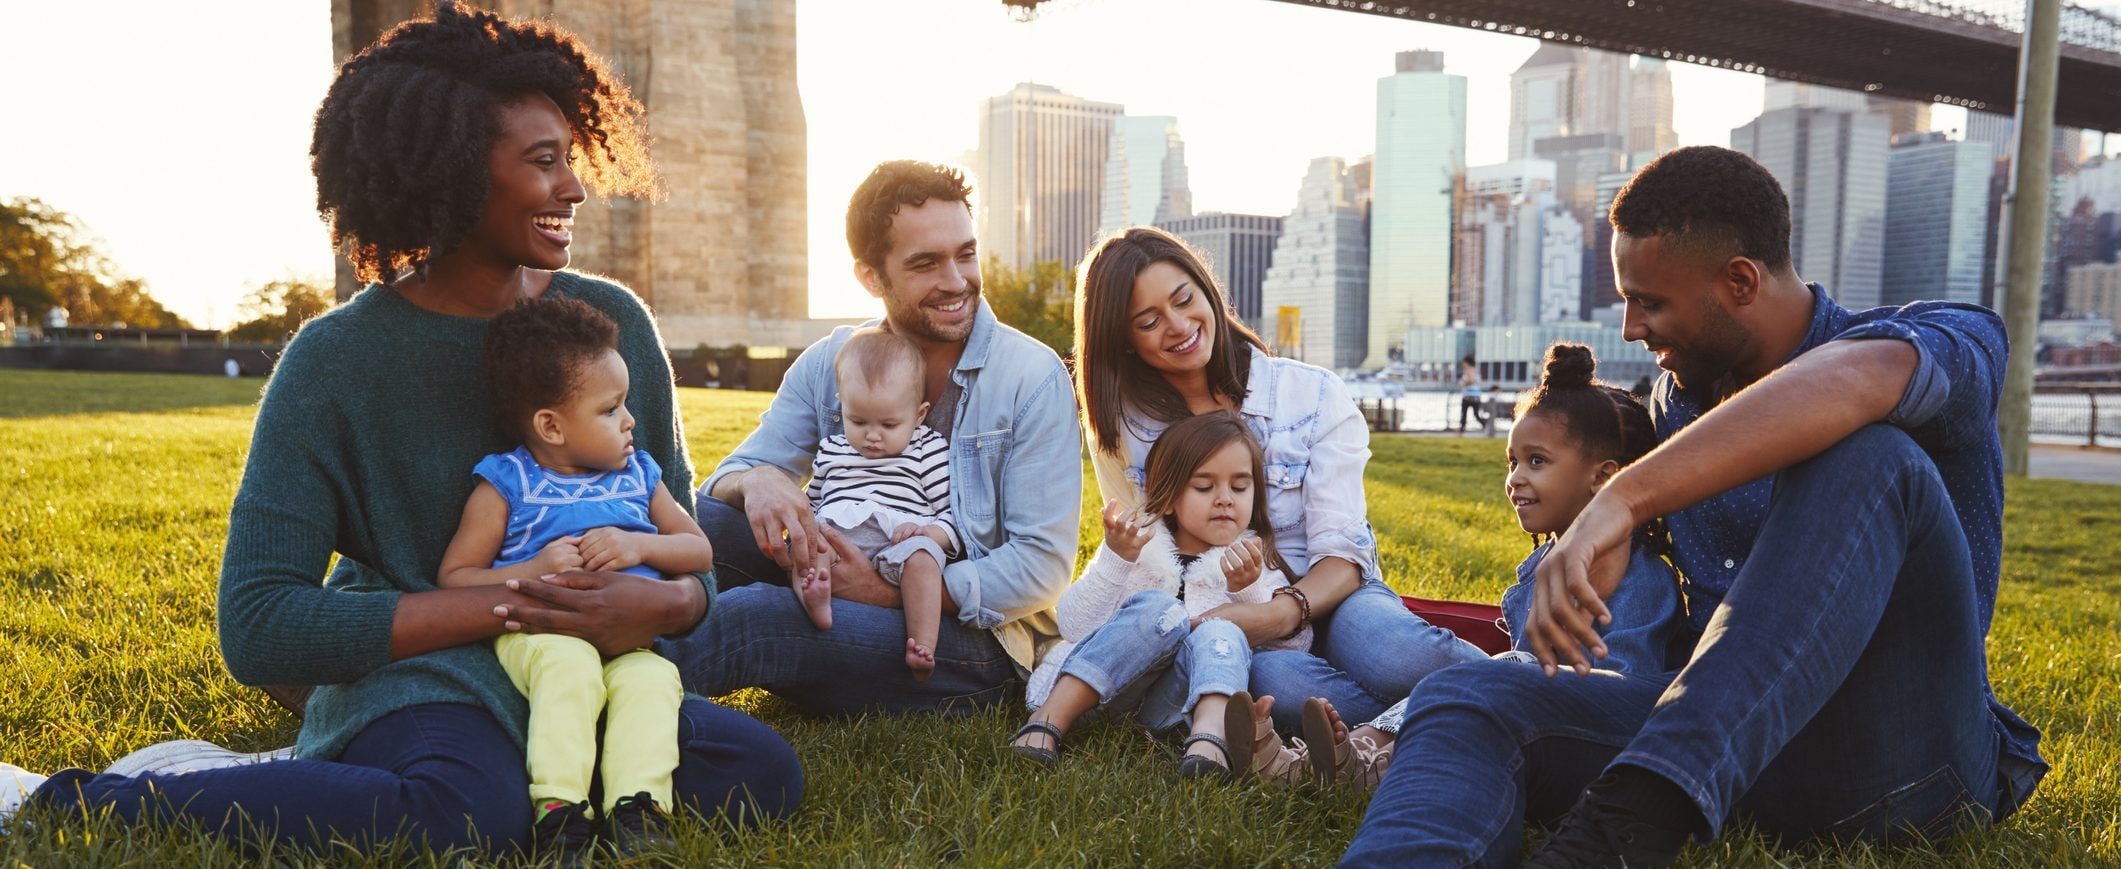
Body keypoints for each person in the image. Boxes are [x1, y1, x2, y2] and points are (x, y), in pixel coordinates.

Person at [0, 3, 801, 853]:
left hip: (586, 676)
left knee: (760, 773)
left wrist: (658, 597)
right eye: (543, 162)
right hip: (422, 677)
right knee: (465, 816)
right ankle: (78, 795)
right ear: (453, 173)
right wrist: (520, 602)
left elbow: (682, 552)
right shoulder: (335, 360)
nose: (574, 186)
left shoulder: (608, 323)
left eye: (571, 157)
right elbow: (259, 619)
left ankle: (376, 780)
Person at [1342, 145, 2044, 867]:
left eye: (1648, 301)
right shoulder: (1674, 401)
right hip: (1727, 756)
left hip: (1902, 759)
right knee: (1469, 693)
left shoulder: (1949, 337)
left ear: (1739, 280)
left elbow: (1861, 376)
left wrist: (1619, 497)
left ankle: (1625, 825)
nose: (1629, 329)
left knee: (1870, 454)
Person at [663, 160, 1080, 713]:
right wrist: (759, 479)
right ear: (870, 277)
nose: (957, 281)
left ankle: (596, 692)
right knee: (703, 524)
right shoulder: (830, 362)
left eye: (965, 254)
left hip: (974, 640)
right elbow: (729, 480)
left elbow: (1041, 567)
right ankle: (566, 639)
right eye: (926, 263)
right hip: (834, 571)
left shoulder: (1031, 376)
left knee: (759, 619)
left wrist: (884, 592)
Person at [1073, 226, 1488, 756]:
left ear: (1207, 290)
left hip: (1336, 597)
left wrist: (1279, 612)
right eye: (1148, 322)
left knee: (1397, 656)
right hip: (1233, 624)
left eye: (1184, 300)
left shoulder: (1310, 394)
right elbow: (1149, 560)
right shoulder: (1127, 432)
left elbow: (1343, 553)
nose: (1178, 327)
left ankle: (1515, 686)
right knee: (1281, 689)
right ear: (1123, 341)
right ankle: (1436, 726)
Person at [1293, 342, 1685, 790]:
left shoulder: (1642, 578)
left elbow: (1621, 693)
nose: (1515, 478)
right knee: (1477, 676)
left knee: (1488, 673)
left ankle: (1364, 754)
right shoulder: (1541, 567)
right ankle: (1349, 756)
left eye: (1537, 461)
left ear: (1602, 476)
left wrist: (1513, 676)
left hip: (1575, 740)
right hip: (1521, 717)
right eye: (1513, 462)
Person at [434, 296, 711, 857]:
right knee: (570, 663)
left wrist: (639, 544)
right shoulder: (507, 482)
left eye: (626, 403)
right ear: (551, 426)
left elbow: (699, 551)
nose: (630, 419)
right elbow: (455, 579)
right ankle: (560, 811)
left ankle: (639, 810)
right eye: (611, 410)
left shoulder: (639, 475)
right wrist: (534, 568)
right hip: (539, 642)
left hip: (629, 640)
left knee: (651, 681)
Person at [1010, 413, 1308, 779]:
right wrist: (1116, 561)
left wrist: (1246, 590)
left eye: (1240, 487)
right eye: (1204, 487)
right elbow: (1074, 624)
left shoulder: (1254, 562)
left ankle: (1210, 738)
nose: (1225, 500)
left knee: (1222, 628)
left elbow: (1292, 650)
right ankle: (1049, 719)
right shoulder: (1136, 549)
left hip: (1171, 705)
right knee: (1158, 609)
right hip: (1098, 692)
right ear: (1167, 499)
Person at [795, 327, 960, 681]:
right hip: (837, 537)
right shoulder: (833, 450)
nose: (872, 435)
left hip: (897, 544)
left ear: (918, 415)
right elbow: (811, 503)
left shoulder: (925, 450)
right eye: (858, 421)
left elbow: (950, 514)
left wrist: (927, 532)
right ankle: (817, 600)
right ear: (843, 406)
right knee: (806, 546)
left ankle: (922, 644)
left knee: (923, 562)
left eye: (888, 424)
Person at [1458, 354, 1484, 433]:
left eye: (1464, 362)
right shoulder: (1476, 370)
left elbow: (1471, 380)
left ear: (1467, 362)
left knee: (1464, 413)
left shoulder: (1469, 370)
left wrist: (1463, 383)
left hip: (1469, 396)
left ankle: (1462, 430)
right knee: (1474, 414)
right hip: (1475, 396)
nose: (1463, 364)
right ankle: (1485, 426)